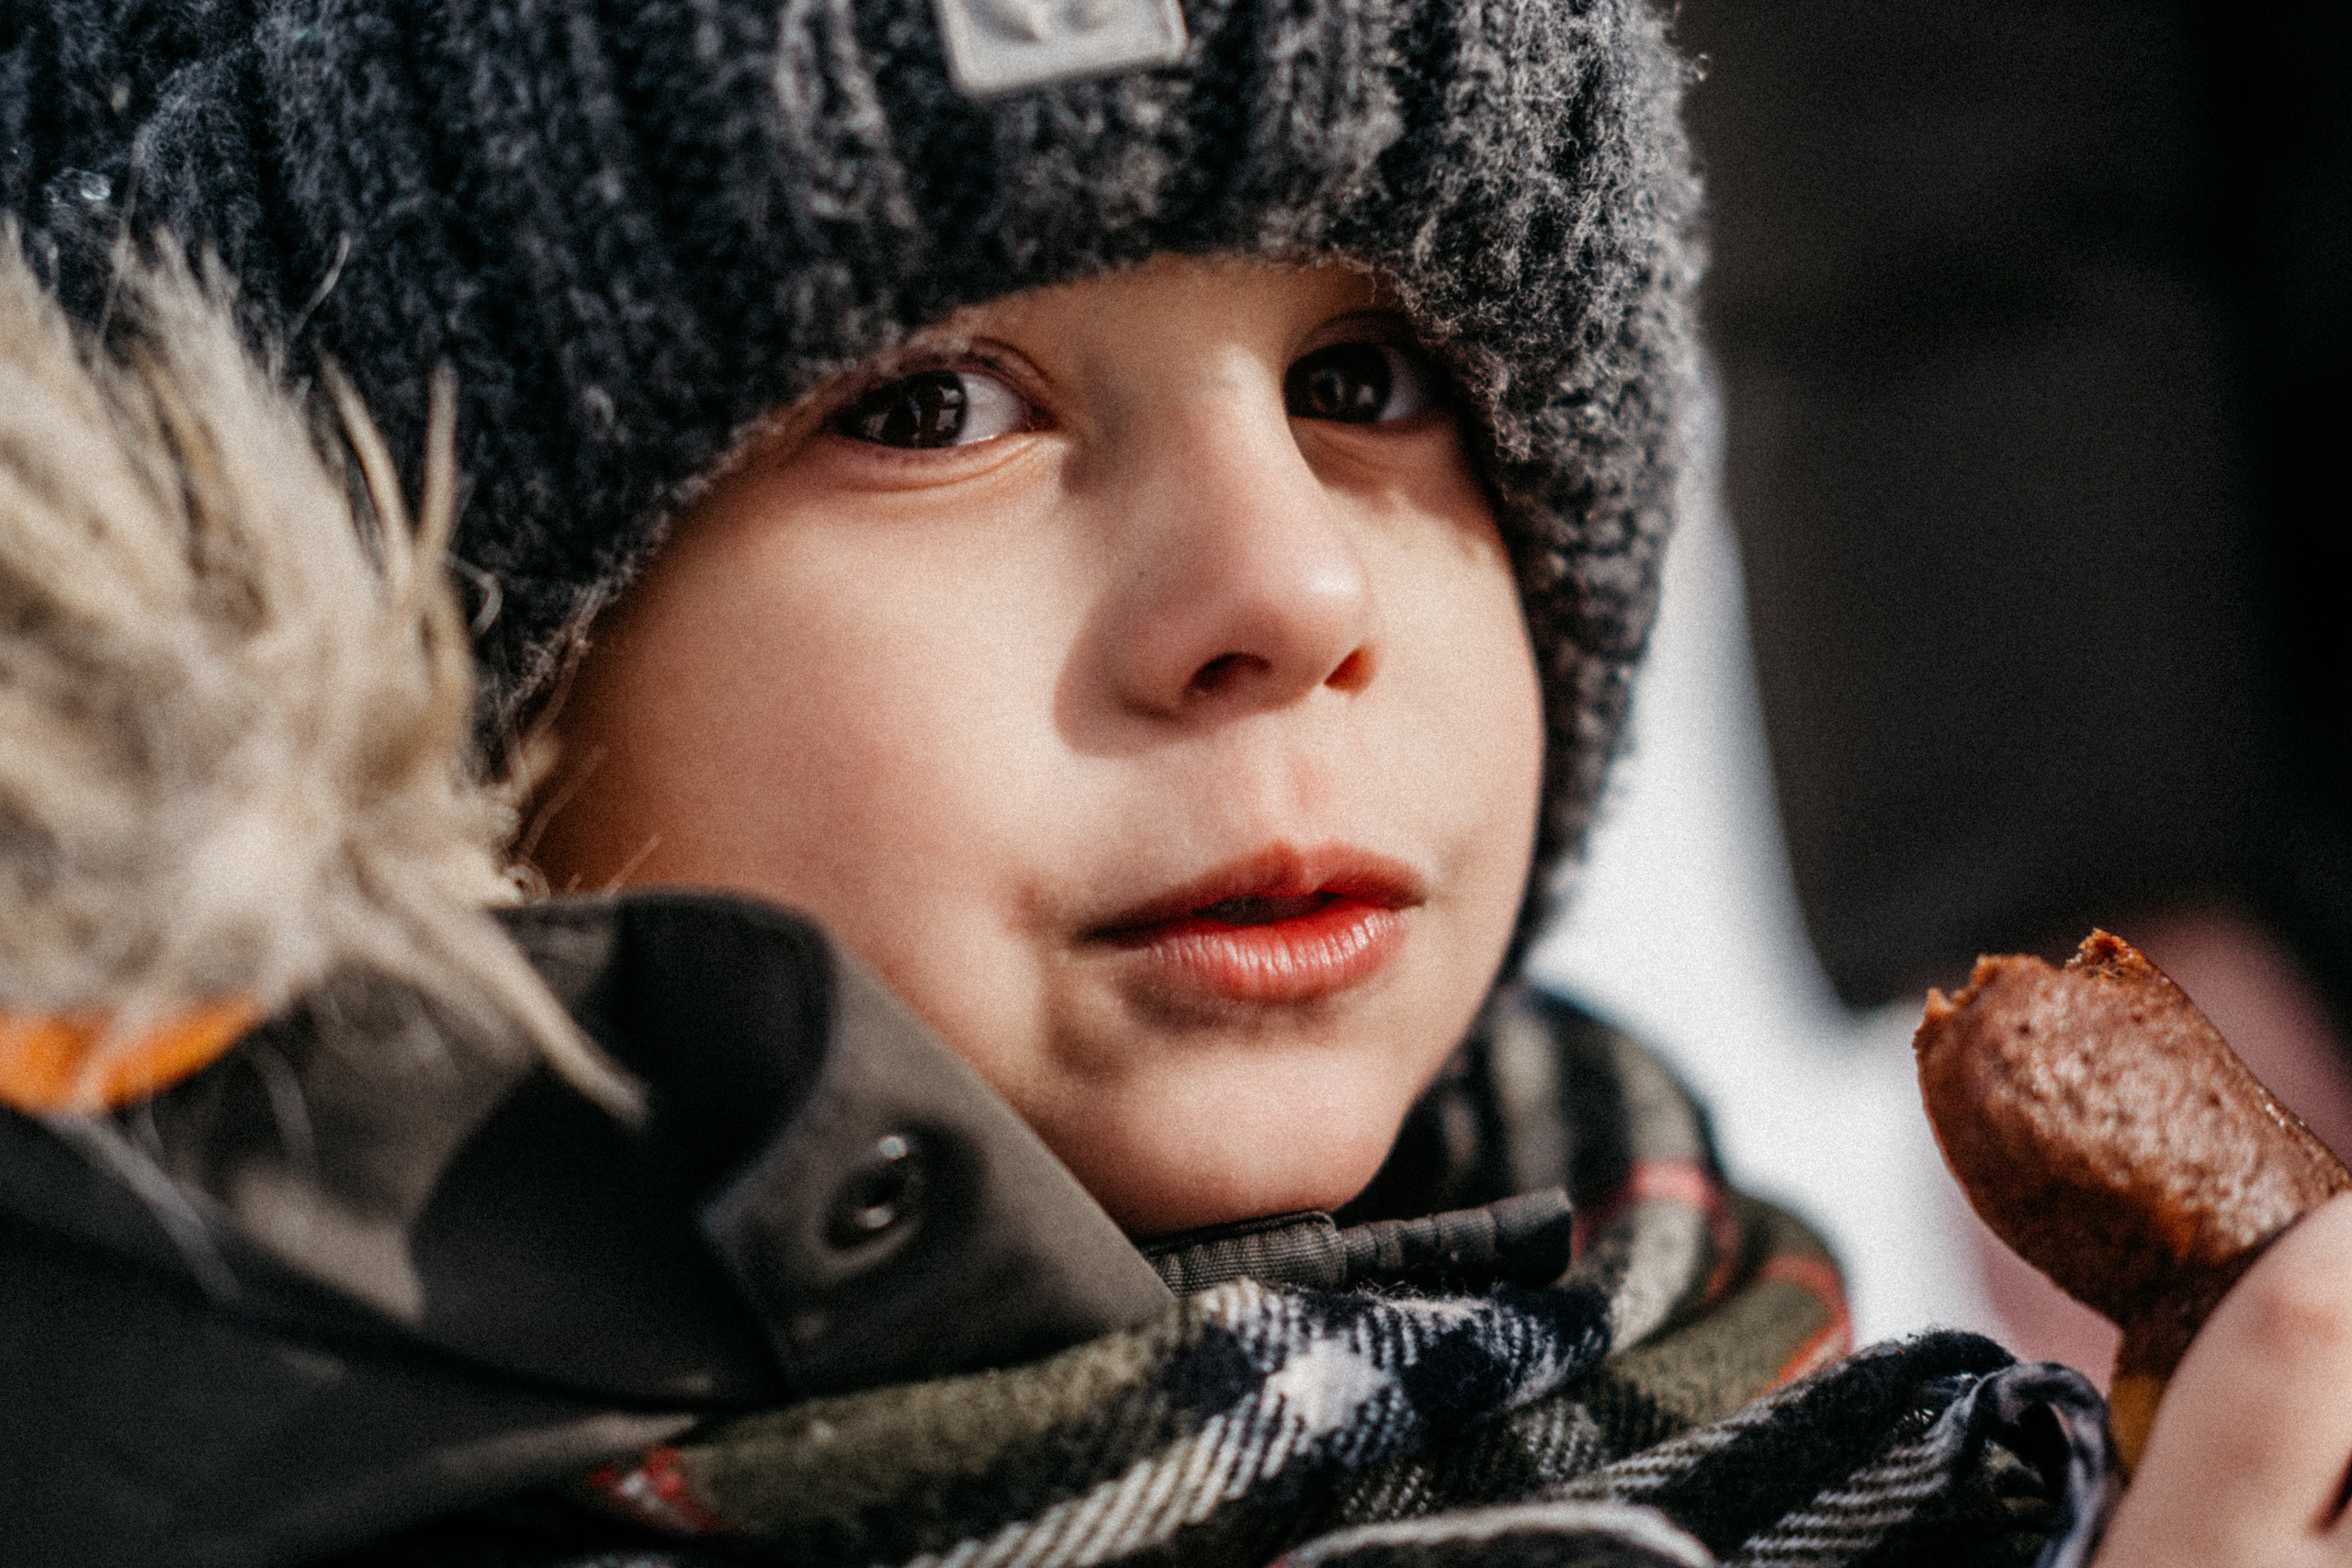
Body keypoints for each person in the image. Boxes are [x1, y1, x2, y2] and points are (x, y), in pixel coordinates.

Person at [0, 1, 2339, 1564]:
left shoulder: (1771, 1401)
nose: (1282, 580)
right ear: (374, 641)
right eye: (928, 406)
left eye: (1365, 374)